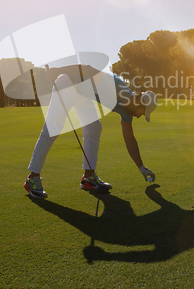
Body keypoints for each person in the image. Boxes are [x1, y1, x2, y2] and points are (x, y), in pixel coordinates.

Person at [24, 64, 157, 198]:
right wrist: (58, 71)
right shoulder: (116, 85)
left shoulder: (128, 111)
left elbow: (129, 139)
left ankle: (89, 177)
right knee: (53, 128)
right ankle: (32, 178)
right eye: (143, 112)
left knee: (94, 128)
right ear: (139, 102)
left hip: (84, 94)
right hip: (68, 84)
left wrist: (141, 167)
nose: (139, 116)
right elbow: (87, 69)